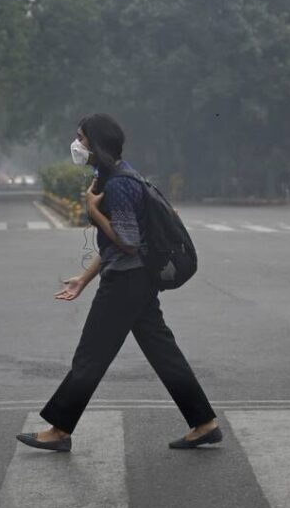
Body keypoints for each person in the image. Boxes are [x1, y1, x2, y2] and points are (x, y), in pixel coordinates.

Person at [16, 113, 220, 452]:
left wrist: (93, 212)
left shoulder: (119, 183)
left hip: (126, 284)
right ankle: (203, 422)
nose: (76, 144)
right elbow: (116, 246)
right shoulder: (115, 176)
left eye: (81, 138)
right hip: (135, 280)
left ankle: (60, 429)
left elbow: (128, 241)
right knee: (163, 352)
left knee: (90, 356)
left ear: (96, 144)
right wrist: (83, 278)